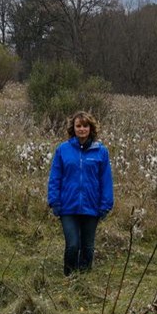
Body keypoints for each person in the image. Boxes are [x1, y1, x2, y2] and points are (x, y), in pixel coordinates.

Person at [48, 111, 114, 276]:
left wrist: (106, 205)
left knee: (88, 248)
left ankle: (83, 279)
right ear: (73, 128)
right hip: (68, 206)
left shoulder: (101, 152)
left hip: (92, 207)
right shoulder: (63, 150)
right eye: (79, 126)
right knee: (72, 245)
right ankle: (69, 276)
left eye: (85, 126)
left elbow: (106, 180)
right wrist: (54, 201)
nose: (82, 129)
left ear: (91, 128)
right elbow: (55, 177)